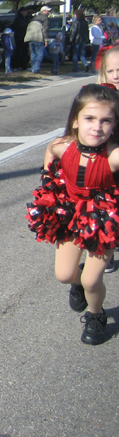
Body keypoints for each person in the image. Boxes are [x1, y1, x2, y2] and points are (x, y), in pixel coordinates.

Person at [30, 84, 119, 345]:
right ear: (76, 121)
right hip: (68, 216)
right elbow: (51, 151)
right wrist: (48, 179)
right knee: (65, 275)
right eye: (90, 118)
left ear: (115, 125)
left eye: (106, 121)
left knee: (92, 281)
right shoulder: (63, 146)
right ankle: (78, 283)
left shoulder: (113, 155)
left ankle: (95, 315)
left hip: (101, 221)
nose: (97, 127)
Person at [96, 46, 119, 274]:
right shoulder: (102, 96)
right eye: (111, 71)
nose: (116, 76)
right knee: (103, 209)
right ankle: (105, 252)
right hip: (106, 165)